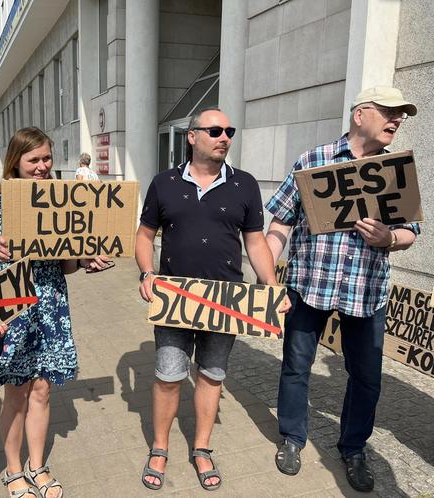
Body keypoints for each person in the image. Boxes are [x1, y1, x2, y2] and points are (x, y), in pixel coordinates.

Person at [265, 86, 419, 492]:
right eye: (390, 112)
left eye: (402, 114)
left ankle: (353, 448)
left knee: (367, 378)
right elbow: (280, 222)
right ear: (361, 114)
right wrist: (264, 271)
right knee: (296, 367)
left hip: (365, 294)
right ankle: (293, 439)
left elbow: (411, 233)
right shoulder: (312, 161)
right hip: (309, 286)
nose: (398, 120)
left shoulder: (395, 171)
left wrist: (389, 238)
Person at [136, 107, 289, 491]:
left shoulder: (245, 185)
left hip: (226, 302)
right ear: (192, 137)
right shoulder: (164, 183)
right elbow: (144, 235)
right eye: (216, 130)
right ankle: (159, 447)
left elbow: (255, 241)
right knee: (169, 376)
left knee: (211, 375)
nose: (225, 137)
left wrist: (270, 284)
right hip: (175, 299)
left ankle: (201, 448)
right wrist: (146, 273)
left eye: (229, 131)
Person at [0, 127, 110, 498]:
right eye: (33, 159)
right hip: (12, 309)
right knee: (16, 393)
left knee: (42, 389)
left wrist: (86, 260)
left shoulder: (61, 200)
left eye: (46, 159)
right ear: (16, 161)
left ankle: (37, 466)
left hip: (50, 306)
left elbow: (66, 265)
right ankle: (13, 470)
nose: (41, 166)